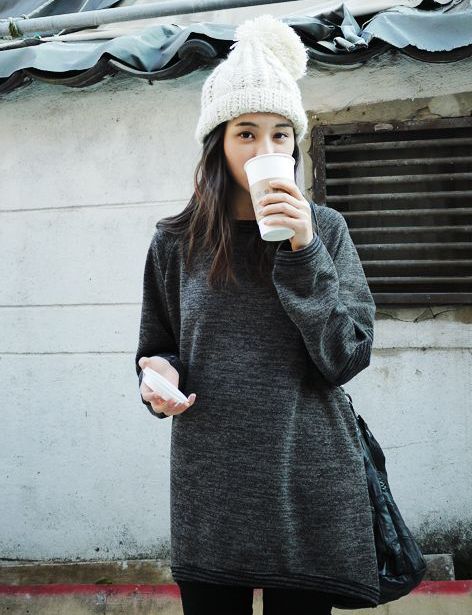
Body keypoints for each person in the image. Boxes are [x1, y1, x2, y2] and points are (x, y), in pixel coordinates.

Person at [135, 14, 379, 615]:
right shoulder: (176, 242)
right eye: (246, 133)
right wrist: (158, 380)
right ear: (218, 143)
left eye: (280, 134)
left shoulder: (327, 230)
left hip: (308, 477)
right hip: (213, 486)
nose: (266, 150)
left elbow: (347, 357)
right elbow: (158, 346)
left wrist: (303, 251)